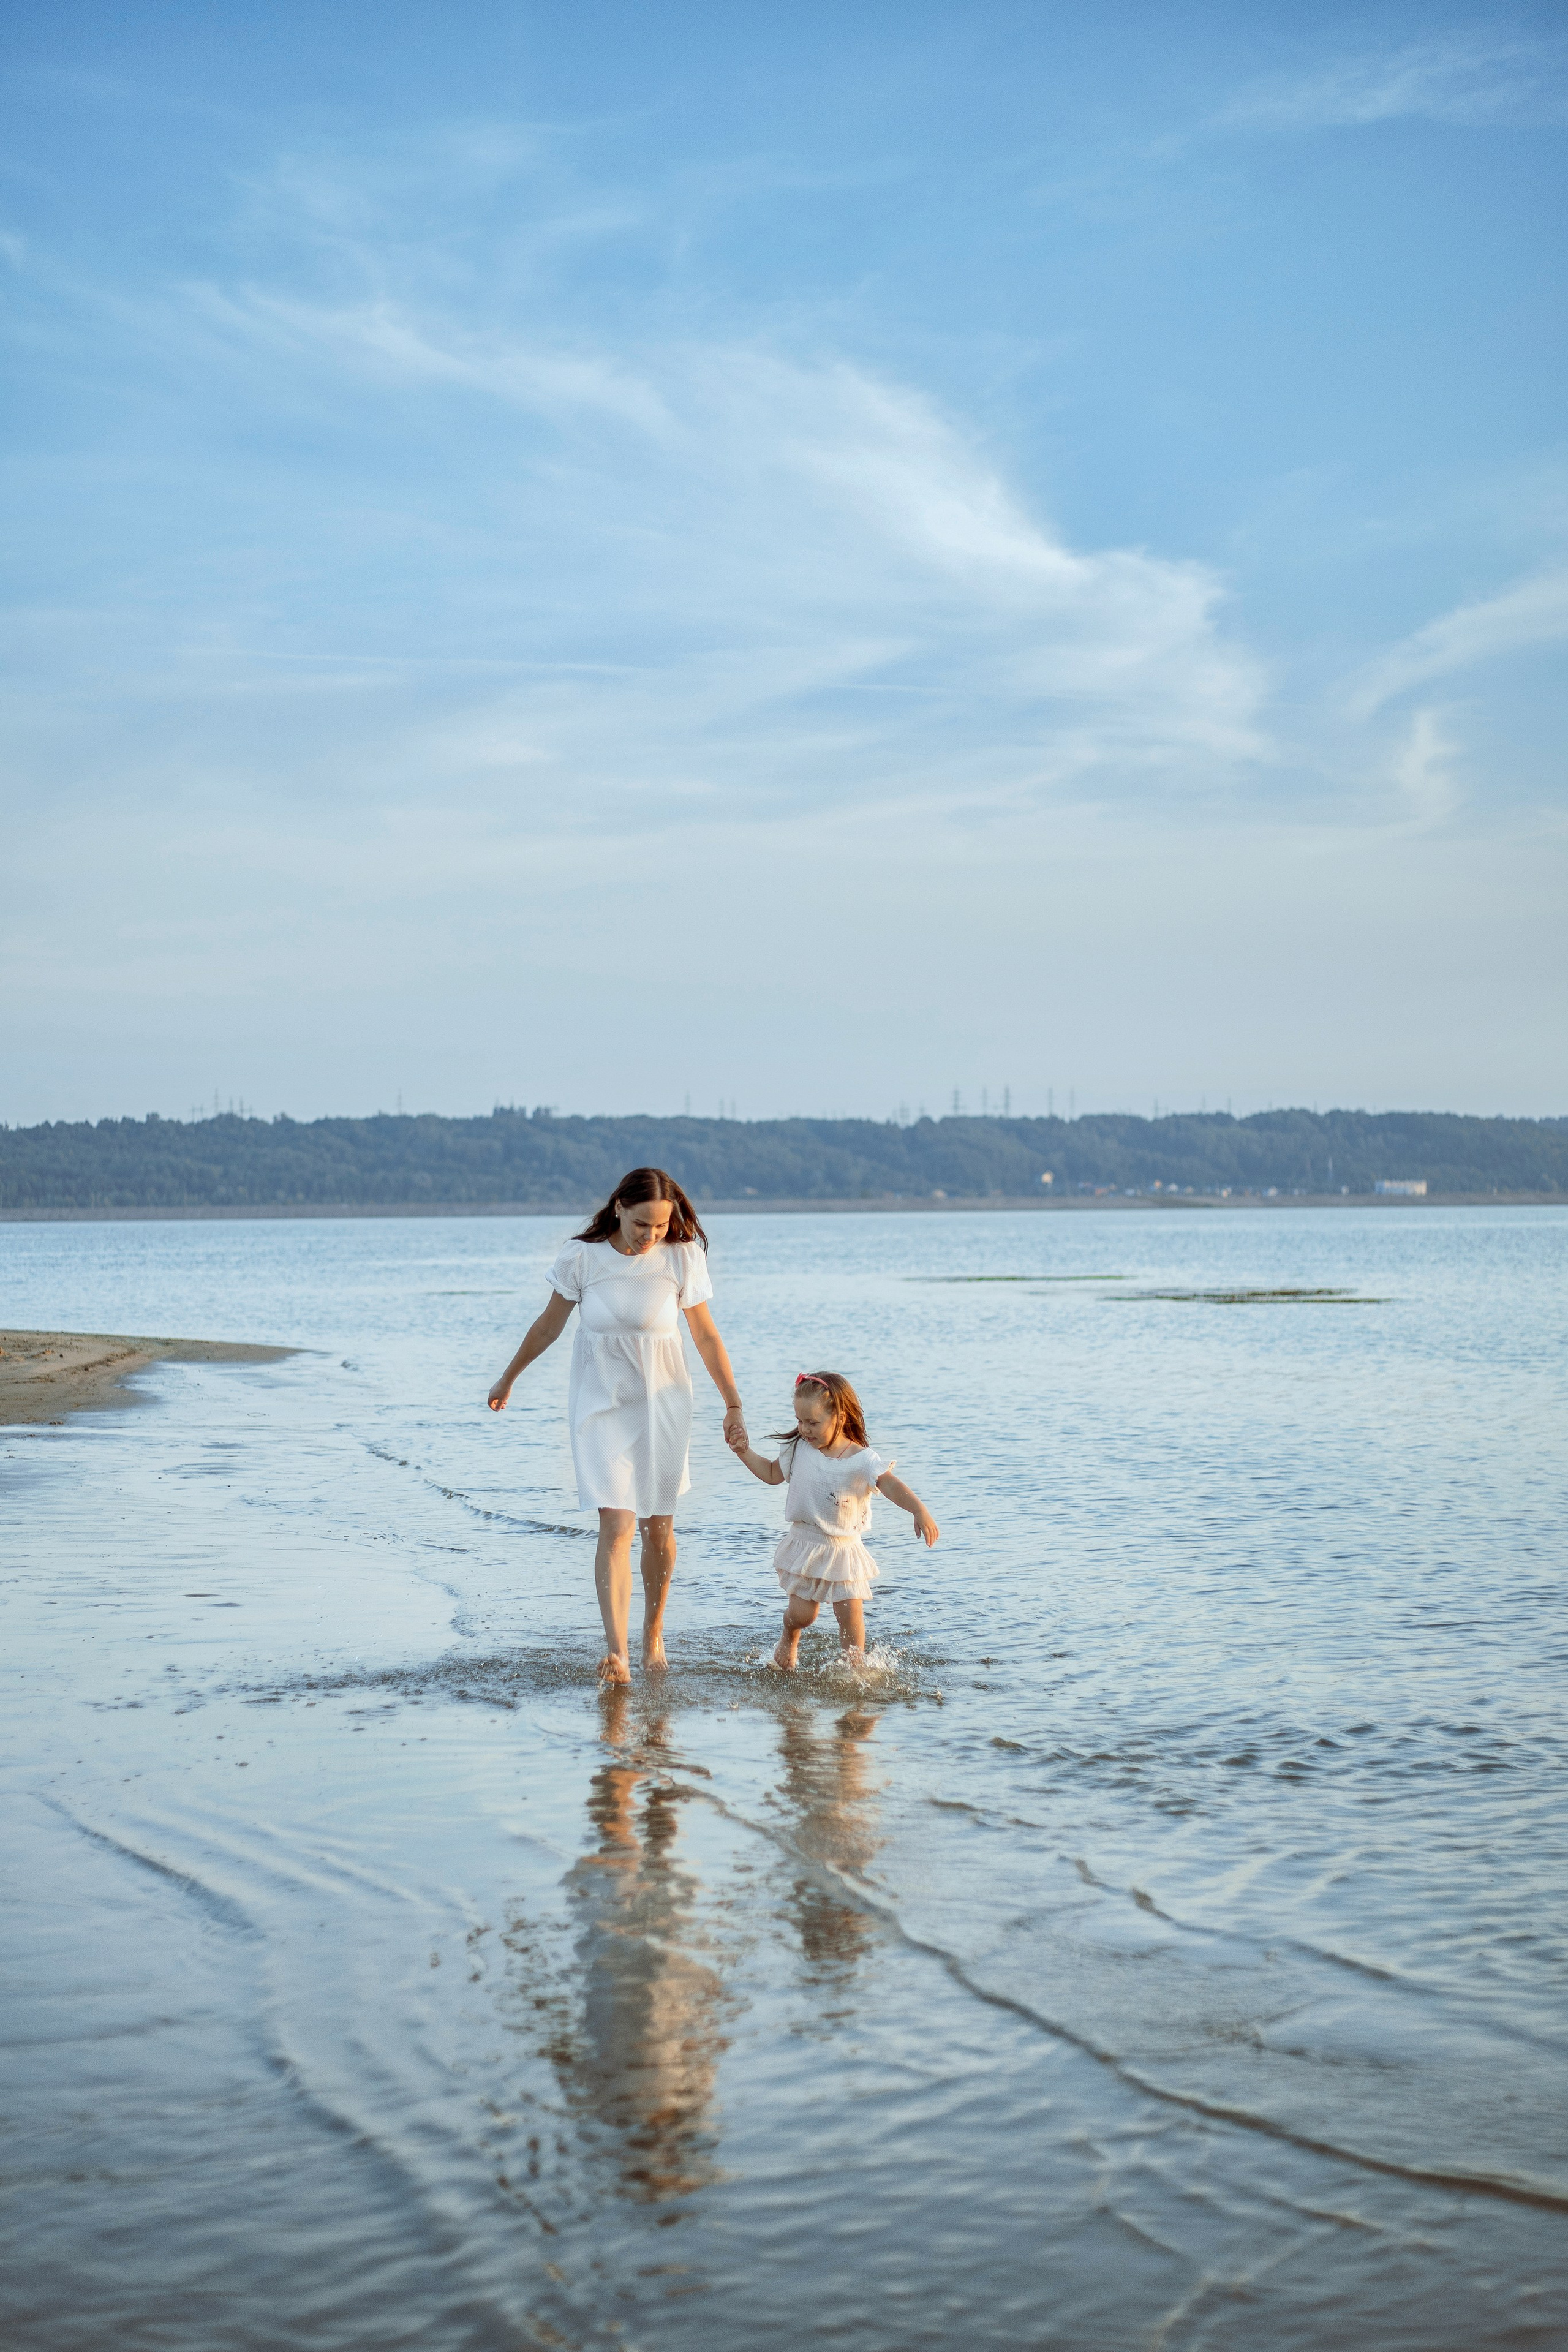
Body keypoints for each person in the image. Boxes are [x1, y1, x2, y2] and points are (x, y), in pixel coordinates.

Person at [488, 1168, 747, 1683]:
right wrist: (508, 1377)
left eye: (661, 1225)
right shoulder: (582, 1258)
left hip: (663, 1403)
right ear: (619, 1208)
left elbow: (707, 1338)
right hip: (600, 1404)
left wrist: (733, 1404)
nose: (651, 1235)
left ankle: (653, 1633)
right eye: (642, 1224)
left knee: (660, 1528)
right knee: (617, 1525)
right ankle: (618, 1654)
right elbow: (548, 1325)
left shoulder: (681, 1257)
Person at [728, 1371, 937, 1670]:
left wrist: (919, 1510)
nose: (804, 1429)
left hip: (844, 1548)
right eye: (800, 1421)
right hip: (807, 1544)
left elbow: (890, 1484)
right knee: (803, 1615)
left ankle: (855, 1668)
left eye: (813, 1423)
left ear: (839, 1416)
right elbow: (772, 1474)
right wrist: (744, 1452)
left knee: (851, 1613)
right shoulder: (798, 1448)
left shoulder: (862, 1460)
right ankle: (790, 1634)